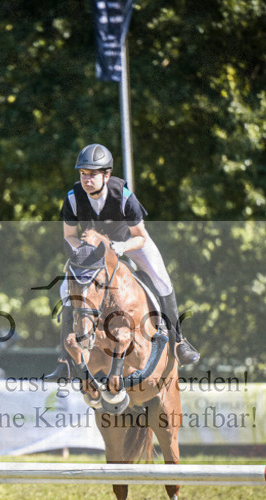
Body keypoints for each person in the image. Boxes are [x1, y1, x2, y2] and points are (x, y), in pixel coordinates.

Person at [47, 143, 201, 379]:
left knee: (162, 280)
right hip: (95, 249)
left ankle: (179, 342)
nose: (87, 180)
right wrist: (84, 251)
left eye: (93, 174)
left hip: (130, 242)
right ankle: (65, 359)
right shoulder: (73, 198)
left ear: (106, 175)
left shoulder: (124, 197)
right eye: (83, 174)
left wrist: (119, 247)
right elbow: (69, 236)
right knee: (65, 288)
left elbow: (140, 237)